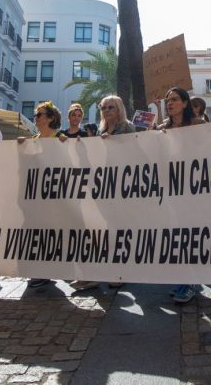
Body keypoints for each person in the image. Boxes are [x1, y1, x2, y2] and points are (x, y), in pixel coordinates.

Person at [70, 95, 133, 292]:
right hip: (101, 186)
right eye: (103, 107)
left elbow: (133, 152)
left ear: (120, 108)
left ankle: (118, 272)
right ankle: (94, 274)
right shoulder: (100, 129)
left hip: (121, 187)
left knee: (117, 230)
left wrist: (113, 142)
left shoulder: (128, 127)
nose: (106, 111)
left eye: (110, 107)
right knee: (98, 231)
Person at [156, 87, 205, 304]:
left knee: (190, 236)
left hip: (193, 190)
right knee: (177, 237)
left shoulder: (198, 125)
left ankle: (189, 283)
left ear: (185, 103)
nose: (170, 102)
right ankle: (184, 280)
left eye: (175, 99)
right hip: (171, 190)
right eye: (168, 100)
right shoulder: (162, 128)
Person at [19, 101, 63, 289]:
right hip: (33, 196)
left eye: (40, 114)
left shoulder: (60, 138)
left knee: (48, 233)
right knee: (34, 232)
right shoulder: (33, 139)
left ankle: (45, 271)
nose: (36, 117)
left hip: (53, 197)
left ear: (51, 118)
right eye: (36, 115)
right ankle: (40, 269)